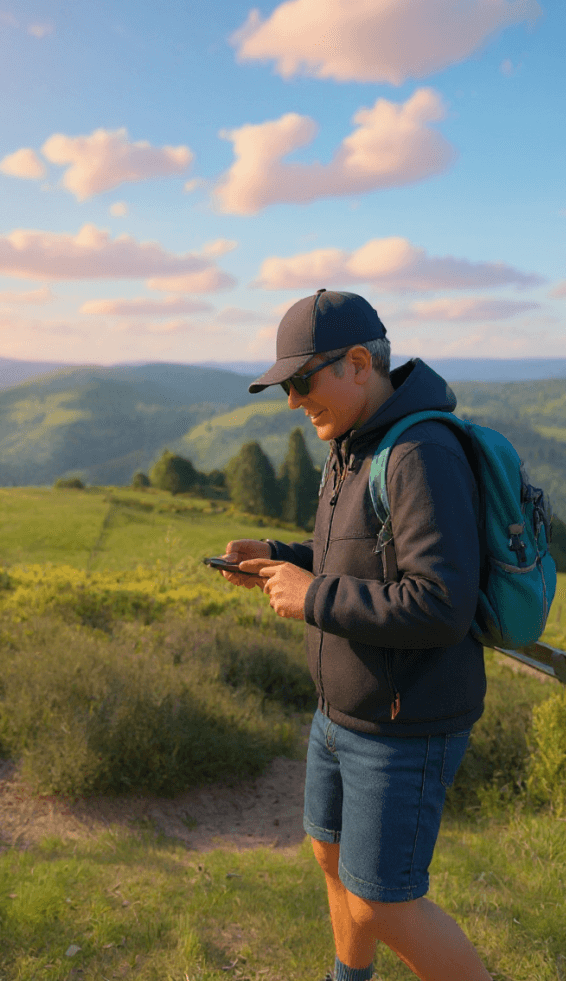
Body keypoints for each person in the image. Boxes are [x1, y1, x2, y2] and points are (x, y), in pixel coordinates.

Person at [221, 289, 492, 981]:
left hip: (404, 723)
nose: (292, 401)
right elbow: (361, 560)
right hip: (342, 712)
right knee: (330, 858)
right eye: (285, 386)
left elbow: (438, 605)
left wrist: (312, 596)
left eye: (302, 381)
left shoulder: (420, 453)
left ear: (359, 363)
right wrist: (282, 555)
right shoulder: (352, 444)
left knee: (386, 903)